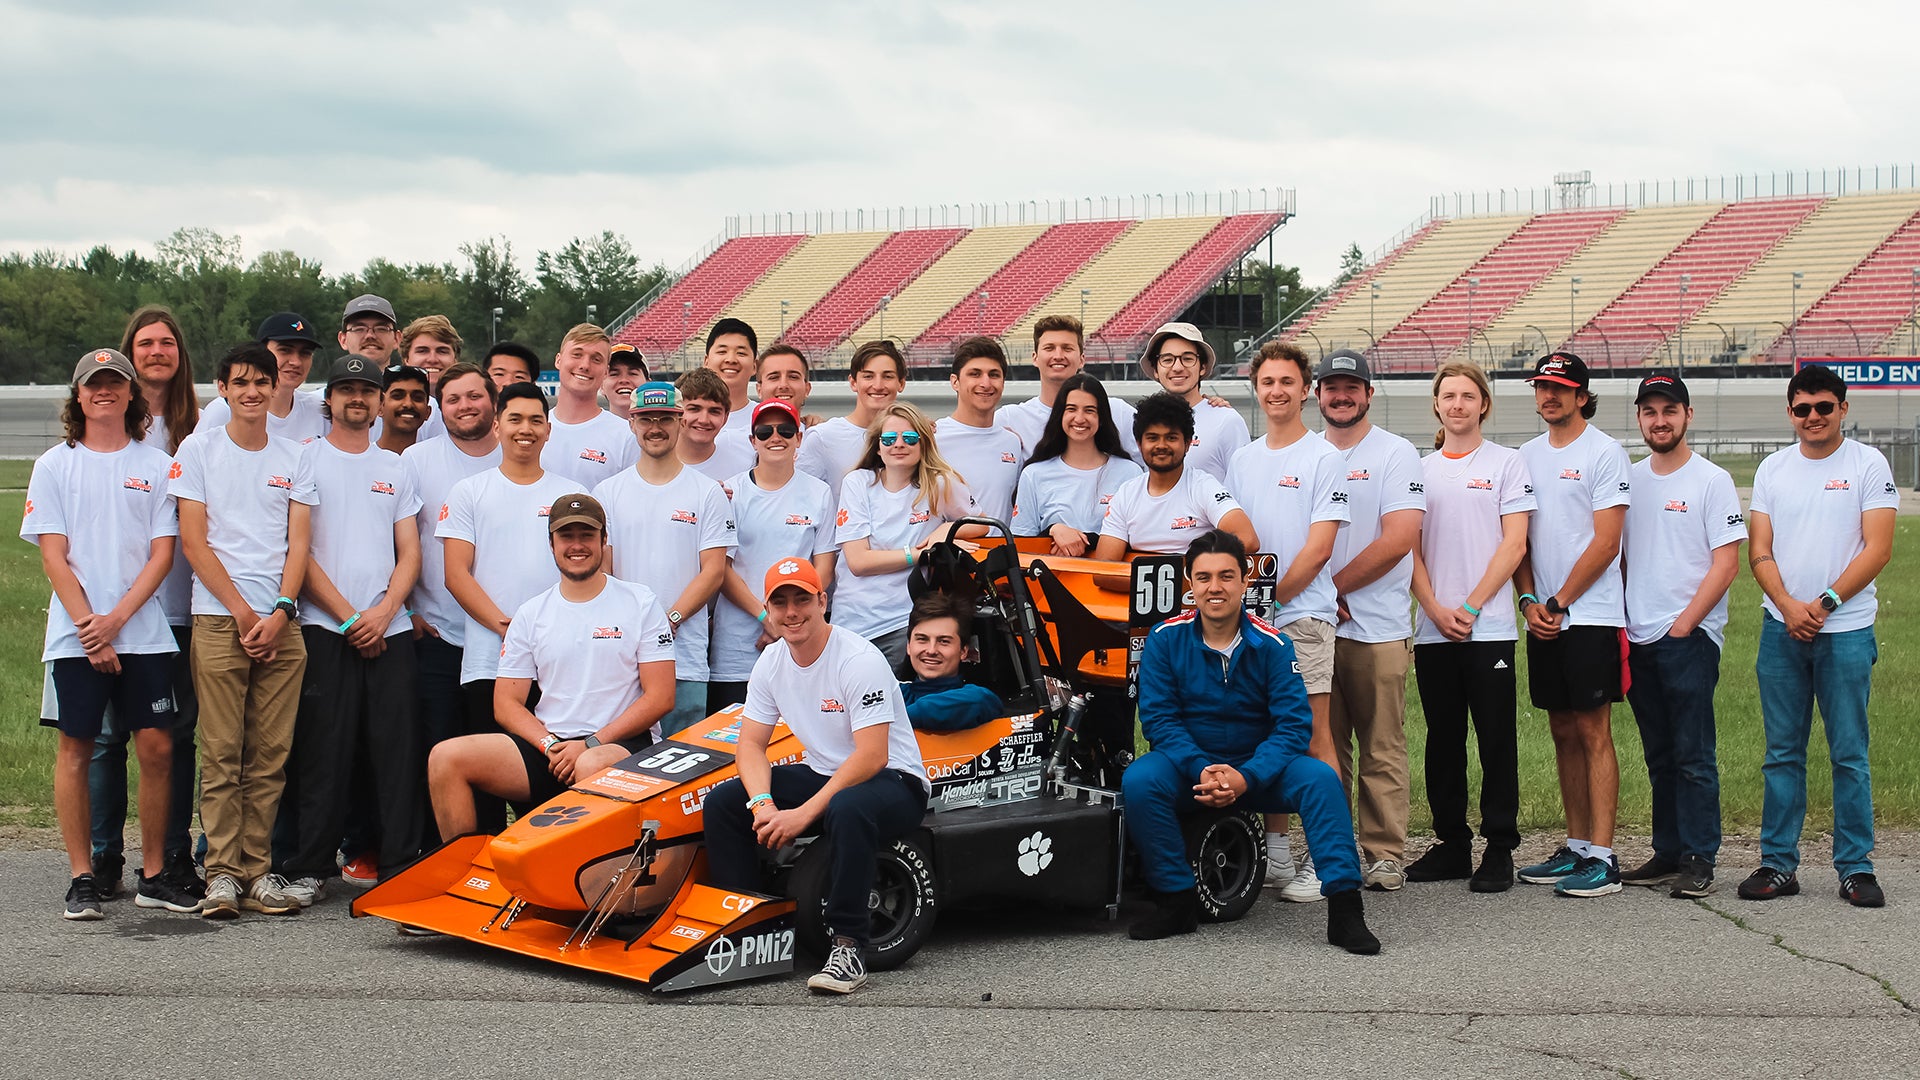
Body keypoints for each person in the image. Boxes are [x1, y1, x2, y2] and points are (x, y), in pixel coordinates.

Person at [1121, 529, 1378, 954]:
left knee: (1320, 780)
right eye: (1203, 577)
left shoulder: (1274, 644)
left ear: (1245, 581)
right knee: (1140, 780)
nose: (1214, 587)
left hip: (1259, 770)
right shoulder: (1165, 639)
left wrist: (1246, 776)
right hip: (1192, 768)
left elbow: (1294, 727)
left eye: (1226, 576)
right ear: (1190, 583)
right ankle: (1176, 901)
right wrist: (1200, 767)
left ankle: (1346, 911)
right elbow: (1160, 721)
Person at [702, 557, 931, 995]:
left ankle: (849, 947)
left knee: (846, 807)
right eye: (781, 602)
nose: (792, 612)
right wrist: (764, 805)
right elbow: (749, 746)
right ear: (768, 610)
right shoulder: (771, 661)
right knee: (725, 802)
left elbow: (872, 756)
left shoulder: (858, 659)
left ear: (823, 600)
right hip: (826, 772)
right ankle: (750, 929)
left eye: (802, 599)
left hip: (895, 782)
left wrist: (802, 815)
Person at [26, 349, 197, 918]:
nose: (104, 392)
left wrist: (118, 621)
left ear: (130, 395)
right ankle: (82, 877)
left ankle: (153, 873)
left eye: (114, 384)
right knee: (76, 749)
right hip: (76, 635)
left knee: (156, 747)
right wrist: (89, 629)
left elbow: (162, 553)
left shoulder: (156, 463)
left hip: (142, 632)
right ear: (79, 396)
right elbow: (54, 555)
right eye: (93, 384)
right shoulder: (55, 464)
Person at [426, 494, 674, 838]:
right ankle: (464, 878)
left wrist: (590, 743)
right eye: (566, 536)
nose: (577, 545)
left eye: (586, 535)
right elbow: (506, 704)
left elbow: (661, 697)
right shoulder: (531, 613)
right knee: (446, 757)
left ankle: (586, 880)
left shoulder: (640, 602)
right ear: (551, 544)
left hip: (620, 745)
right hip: (552, 748)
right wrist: (550, 745)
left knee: (590, 764)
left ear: (603, 540)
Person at [1742, 363, 1896, 908]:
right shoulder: (1773, 469)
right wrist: (1787, 605)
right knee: (1782, 753)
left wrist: (1825, 604)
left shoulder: (1867, 463)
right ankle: (1777, 863)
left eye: (1824, 407)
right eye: (1802, 408)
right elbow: (1759, 547)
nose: (1813, 417)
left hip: (1846, 631)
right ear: (1790, 413)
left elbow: (1877, 548)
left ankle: (1856, 866)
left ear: (1843, 409)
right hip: (1780, 629)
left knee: (1849, 752)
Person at [270, 356, 424, 904]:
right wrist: (351, 617)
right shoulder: (304, 459)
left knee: (397, 752)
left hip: (392, 628)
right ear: (329, 400)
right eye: (347, 390)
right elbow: (300, 550)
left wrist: (385, 612)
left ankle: (401, 864)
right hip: (323, 627)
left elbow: (410, 552)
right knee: (323, 752)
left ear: (380, 400)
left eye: (367, 389)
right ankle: (311, 865)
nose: (357, 398)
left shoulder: (397, 468)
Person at [171, 343, 316, 918]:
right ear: (222, 389)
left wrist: (280, 611)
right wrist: (241, 612)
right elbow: (193, 541)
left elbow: (299, 542)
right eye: (241, 382)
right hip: (218, 617)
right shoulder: (198, 449)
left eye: (262, 380)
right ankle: (222, 874)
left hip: (282, 621)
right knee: (222, 752)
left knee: (270, 754)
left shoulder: (295, 455)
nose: (253, 391)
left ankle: (258, 872)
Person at [86, 307, 204, 900]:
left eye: (166, 342)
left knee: (173, 736)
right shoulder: (111, 422)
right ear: (129, 356)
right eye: (145, 343)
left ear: (180, 353)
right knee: (106, 738)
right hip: (113, 611)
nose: (157, 351)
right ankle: (104, 855)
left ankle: (173, 856)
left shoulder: (199, 426)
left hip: (179, 605)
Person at [1227, 341, 1349, 903]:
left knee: (1316, 738)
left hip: (1301, 619)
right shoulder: (1243, 459)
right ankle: (1276, 854)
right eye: (1267, 382)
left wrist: (1272, 600)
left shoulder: (1325, 458)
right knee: (1264, 737)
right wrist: (1249, 608)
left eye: (1287, 382)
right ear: (1257, 389)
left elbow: (1320, 548)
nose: (1276, 391)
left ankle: (1329, 863)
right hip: (1250, 623)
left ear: (1306, 391)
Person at [1405, 362, 1532, 893]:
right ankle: (1452, 843)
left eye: (1467, 396)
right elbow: (1408, 546)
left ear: (1484, 405)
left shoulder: (1508, 463)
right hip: (1436, 629)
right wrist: (1434, 608)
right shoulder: (1419, 468)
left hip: (1491, 627)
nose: (1457, 404)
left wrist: (1473, 607)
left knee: (1496, 738)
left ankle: (1499, 846)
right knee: (1443, 739)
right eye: (1448, 396)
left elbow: (1515, 543)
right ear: (1437, 405)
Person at [1512, 352, 1632, 898]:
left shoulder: (1605, 452)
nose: (1550, 396)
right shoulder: (1526, 456)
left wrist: (1560, 602)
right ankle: (1577, 845)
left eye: (1561, 387)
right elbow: (1520, 539)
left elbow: (1607, 542)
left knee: (1592, 730)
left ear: (1582, 395)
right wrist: (1531, 599)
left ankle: (1603, 857)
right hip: (1545, 615)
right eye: (1542, 387)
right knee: (1561, 728)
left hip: (1591, 615)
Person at [1620, 373, 1744, 900]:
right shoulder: (1630, 478)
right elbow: (1619, 555)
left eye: (1669, 410)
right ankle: (1667, 850)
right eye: (1650, 411)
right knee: (1659, 752)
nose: (1660, 420)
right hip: (1639, 635)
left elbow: (1727, 561)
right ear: (1641, 419)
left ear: (1687, 416)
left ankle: (1699, 855)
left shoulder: (1711, 481)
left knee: (1694, 753)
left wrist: (1687, 622)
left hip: (1687, 636)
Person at [1313, 350, 1424, 894]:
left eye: (1351, 387)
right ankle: (1330, 851)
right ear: (1318, 395)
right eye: (1332, 387)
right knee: (1321, 746)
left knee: (1381, 744)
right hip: (1312, 625)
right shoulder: (1305, 453)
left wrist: (1332, 586)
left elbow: (1399, 536)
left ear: (1368, 393)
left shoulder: (1395, 453)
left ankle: (1383, 854)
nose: (1341, 395)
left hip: (1376, 625)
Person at [439, 383, 579, 744]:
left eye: (536, 420)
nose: (525, 429)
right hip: (489, 659)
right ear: (498, 425)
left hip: (560, 660)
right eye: (515, 419)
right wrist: (509, 630)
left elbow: (591, 575)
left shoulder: (573, 495)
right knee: (488, 775)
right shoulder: (469, 491)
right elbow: (456, 575)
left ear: (548, 431)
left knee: (553, 776)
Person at [591, 381, 735, 733]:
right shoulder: (607, 492)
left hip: (684, 659)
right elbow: (602, 570)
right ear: (631, 423)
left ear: (680, 421)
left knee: (682, 765)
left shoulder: (707, 493)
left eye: (665, 419)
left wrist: (668, 620)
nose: (655, 428)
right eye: (646, 419)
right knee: (621, 767)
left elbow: (713, 571)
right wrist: (636, 626)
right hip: (622, 656)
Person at [400, 363, 503, 842]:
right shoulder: (417, 461)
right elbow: (394, 540)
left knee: (498, 756)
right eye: (453, 399)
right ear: (439, 408)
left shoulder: (518, 455)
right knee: (436, 749)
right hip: (438, 634)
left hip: (506, 645)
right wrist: (406, 611)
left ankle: (499, 858)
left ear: (493, 400)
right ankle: (440, 857)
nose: (464, 406)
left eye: (474, 396)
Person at [711, 399, 838, 712]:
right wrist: (766, 617)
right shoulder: (730, 492)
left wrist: (787, 621)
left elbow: (824, 568)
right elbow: (721, 569)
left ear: (799, 437)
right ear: (753, 440)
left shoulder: (819, 493)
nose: (775, 437)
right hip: (737, 646)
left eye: (785, 429)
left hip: (798, 637)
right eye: (765, 431)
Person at [832, 402, 978, 669]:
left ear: (923, 444)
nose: (899, 444)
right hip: (852, 623)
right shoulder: (858, 483)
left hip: (905, 624)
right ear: (878, 447)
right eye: (889, 438)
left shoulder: (939, 483)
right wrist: (921, 554)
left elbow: (982, 525)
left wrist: (946, 530)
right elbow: (859, 562)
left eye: (910, 438)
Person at [1091, 392, 1256, 562]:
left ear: (1187, 443)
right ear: (1139, 444)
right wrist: (1160, 582)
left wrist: (1186, 573)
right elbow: (1105, 571)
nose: (1161, 445)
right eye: (1152, 438)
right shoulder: (1126, 494)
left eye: (1171, 438)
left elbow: (1248, 540)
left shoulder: (1204, 487)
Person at [1011, 373, 1140, 556]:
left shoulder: (1130, 473)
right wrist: (1053, 530)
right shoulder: (1033, 474)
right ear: (1060, 415)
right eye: (1071, 409)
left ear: (1101, 418)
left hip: (1109, 580)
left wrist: (1086, 541)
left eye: (1089, 410)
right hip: (1051, 579)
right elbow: (1022, 546)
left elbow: (1139, 539)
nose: (1079, 419)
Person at [996, 314, 1138, 459]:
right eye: (1049, 348)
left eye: (1067, 348)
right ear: (1035, 358)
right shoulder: (1009, 419)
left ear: (1082, 359)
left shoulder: (1119, 413)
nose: (1058, 355)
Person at [797, 339, 906, 506]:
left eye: (887, 376)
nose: (878, 385)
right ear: (853, 382)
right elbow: (800, 500)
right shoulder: (823, 437)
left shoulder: (913, 439)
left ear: (901, 383)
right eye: (868, 376)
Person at [934, 336, 1026, 525]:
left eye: (994, 375)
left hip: (1001, 553)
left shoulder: (1012, 443)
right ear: (955, 382)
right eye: (975, 374)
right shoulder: (933, 438)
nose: (985, 383)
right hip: (949, 554)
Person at [1142, 322, 1247, 482]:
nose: (1177, 367)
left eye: (1187, 359)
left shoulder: (1226, 421)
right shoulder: (1142, 420)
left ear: (1203, 367)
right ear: (1156, 369)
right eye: (1167, 359)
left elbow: (1243, 486)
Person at [195, 313, 327, 441]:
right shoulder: (224, 410)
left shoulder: (318, 409)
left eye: (305, 353)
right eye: (285, 350)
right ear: (261, 351)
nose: (296, 362)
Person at [541, 323, 638, 488]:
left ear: (606, 372)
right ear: (558, 360)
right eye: (577, 354)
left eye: (596, 359)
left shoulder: (627, 436)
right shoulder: (532, 429)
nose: (585, 365)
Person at [900, 593, 1004, 732]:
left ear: (963, 651)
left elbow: (980, 700)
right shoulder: (895, 693)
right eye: (922, 639)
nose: (931, 650)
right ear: (908, 646)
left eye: (944, 641)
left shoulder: (978, 699)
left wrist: (895, 722)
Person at [676, 367, 754, 482]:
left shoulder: (745, 462)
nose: (704, 420)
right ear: (677, 411)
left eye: (714, 411)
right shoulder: (652, 464)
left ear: (725, 417)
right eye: (694, 409)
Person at [703, 317, 760, 455]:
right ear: (706, 361)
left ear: (754, 366)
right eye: (722, 352)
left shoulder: (766, 418)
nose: (731, 359)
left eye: (741, 353)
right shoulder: (686, 418)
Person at [375, 363, 433, 456]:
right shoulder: (361, 461)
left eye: (417, 397)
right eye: (397, 396)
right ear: (379, 407)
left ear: (428, 412)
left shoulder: (435, 464)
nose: (408, 404)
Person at [756, 343, 817, 426]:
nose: (783, 385)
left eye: (793, 377)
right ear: (759, 389)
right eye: (774, 377)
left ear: (807, 389)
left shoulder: (824, 434)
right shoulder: (739, 437)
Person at [603, 343, 647, 420]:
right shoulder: (588, 430)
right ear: (601, 386)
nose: (624, 380)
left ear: (648, 383)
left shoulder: (668, 430)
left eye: (632, 373)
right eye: (614, 374)